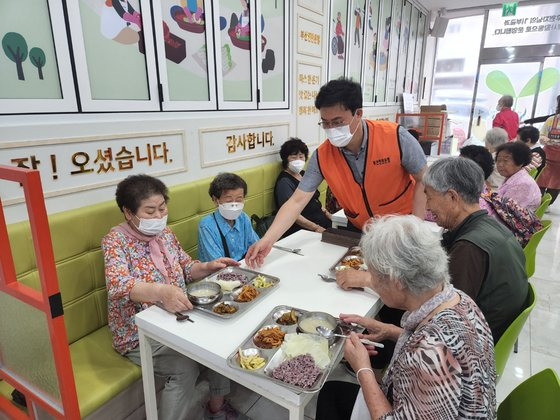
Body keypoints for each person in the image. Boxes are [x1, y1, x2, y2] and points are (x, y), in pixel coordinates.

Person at [315, 215, 496, 419]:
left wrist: (362, 369)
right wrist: (390, 331)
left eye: (373, 275)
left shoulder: (430, 355)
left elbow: (432, 353)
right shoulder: (459, 300)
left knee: (330, 395)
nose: (371, 281)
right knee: (332, 394)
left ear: (396, 281)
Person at [102, 174, 246, 420]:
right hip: (138, 332)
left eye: (162, 208)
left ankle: (217, 407)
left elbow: (186, 268)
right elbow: (118, 284)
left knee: (221, 338)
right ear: (128, 212)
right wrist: (159, 291)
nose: (159, 217)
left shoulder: (165, 234)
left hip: (178, 316)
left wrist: (209, 266)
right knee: (183, 368)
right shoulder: (115, 241)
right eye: (150, 211)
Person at [246, 78, 427, 268]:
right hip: (359, 229)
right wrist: (268, 240)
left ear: (358, 114)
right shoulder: (323, 156)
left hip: (401, 229)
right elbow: (296, 201)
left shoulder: (395, 137)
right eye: (325, 123)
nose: (331, 130)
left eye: (338, 122)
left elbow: (424, 179)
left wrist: (415, 228)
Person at [424, 157, 528, 342]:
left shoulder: (469, 248)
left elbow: (444, 320)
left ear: (452, 197)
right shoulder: (491, 225)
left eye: (429, 197)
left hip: (471, 346)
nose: (427, 206)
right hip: (486, 331)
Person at [274, 138, 331, 237]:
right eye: (293, 157)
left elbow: (314, 199)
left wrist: (327, 213)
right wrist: (316, 228)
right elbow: (292, 214)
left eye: (301, 156)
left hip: (321, 222)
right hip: (303, 230)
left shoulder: (304, 174)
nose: (298, 160)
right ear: (285, 159)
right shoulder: (284, 182)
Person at [198, 173, 259, 262]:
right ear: (215, 200)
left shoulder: (243, 218)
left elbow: (255, 246)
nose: (234, 204)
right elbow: (217, 264)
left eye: (239, 199)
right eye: (228, 200)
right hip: (219, 273)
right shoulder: (206, 226)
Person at [495, 142, 541, 212]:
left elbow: (506, 211)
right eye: (498, 160)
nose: (500, 164)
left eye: (505, 161)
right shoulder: (513, 176)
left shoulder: (522, 184)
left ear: (520, 162)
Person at [538, 94, 560, 206]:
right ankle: (538, 202)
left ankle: (546, 204)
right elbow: (541, 135)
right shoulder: (551, 120)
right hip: (547, 157)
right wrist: (544, 139)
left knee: (555, 185)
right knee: (541, 180)